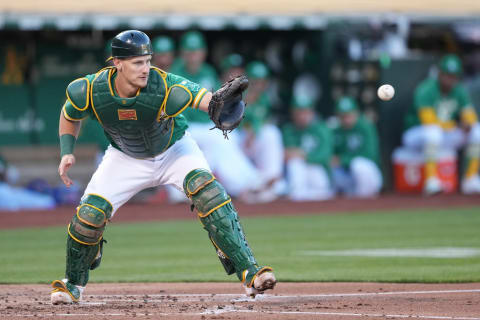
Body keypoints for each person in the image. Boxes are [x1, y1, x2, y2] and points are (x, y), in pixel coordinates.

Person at [50, 30, 276, 304]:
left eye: (147, 61)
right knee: (88, 217)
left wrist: (219, 103)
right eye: (137, 62)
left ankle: (250, 272)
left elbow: (204, 98)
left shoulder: (164, 85)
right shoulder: (90, 89)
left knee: (209, 194)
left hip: (174, 149)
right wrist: (66, 152)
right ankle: (72, 283)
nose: (146, 68)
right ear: (117, 63)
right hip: (124, 156)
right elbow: (69, 114)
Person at [170, 32, 262, 198]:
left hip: (205, 126)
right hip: (183, 127)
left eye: (196, 51)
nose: (193, 56)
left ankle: (243, 185)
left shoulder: (208, 71)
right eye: (189, 52)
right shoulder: (175, 72)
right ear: (182, 53)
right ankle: (249, 182)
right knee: (221, 139)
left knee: (220, 146)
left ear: (203, 52)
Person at [403, 54, 480, 195]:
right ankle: (431, 182)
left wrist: (468, 123)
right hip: (416, 135)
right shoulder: (426, 89)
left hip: (446, 134)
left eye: (453, 76)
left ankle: (470, 179)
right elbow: (429, 121)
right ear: (439, 74)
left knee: (477, 131)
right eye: (446, 75)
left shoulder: (460, 90)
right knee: (433, 132)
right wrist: (457, 125)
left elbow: (470, 116)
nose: (449, 79)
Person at [238, 61, 285, 203]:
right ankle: (251, 186)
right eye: (255, 81)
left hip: (251, 139)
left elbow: (259, 121)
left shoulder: (264, 99)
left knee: (271, 132)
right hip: (233, 138)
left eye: (262, 82)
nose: (259, 85)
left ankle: (269, 181)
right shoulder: (236, 95)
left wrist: (253, 132)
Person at [282, 95, 334, 201]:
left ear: (312, 112)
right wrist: (299, 155)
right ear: (293, 113)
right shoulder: (288, 130)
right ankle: (296, 195)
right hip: (297, 170)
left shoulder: (321, 129)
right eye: (299, 112)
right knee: (295, 163)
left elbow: (325, 156)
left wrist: (304, 155)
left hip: (317, 169)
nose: (302, 116)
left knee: (315, 176)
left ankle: (300, 195)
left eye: (305, 112)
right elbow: (286, 154)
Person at [331, 96, 382, 198]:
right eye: (343, 116)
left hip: (368, 173)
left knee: (357, 164)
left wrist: (343, 160)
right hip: (347, 175)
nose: (346, 119)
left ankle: (365, 199)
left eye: (349, 115)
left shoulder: (365, 127)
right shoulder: (335, 130)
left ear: (356, 113)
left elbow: (370, 154)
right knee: (331, 169)